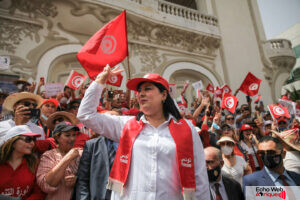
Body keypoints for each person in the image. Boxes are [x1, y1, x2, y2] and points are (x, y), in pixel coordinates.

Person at [77, 66, 210, 200]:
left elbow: (199, 175)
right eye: (139, 90)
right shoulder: (126, 125)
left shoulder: (187, 129)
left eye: (148, 89)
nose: (141, 94)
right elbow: (86, 115)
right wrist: (100, 81)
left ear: (164, 95)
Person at [36, 122, 82, 200]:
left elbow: (93, 179)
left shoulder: (82, 153)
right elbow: (46, 185)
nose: (72, 139)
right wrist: (67, 158)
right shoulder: (48, 156)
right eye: (67, 135)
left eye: (74, 135)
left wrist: (77, 180)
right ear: (57, 137)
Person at [0, 125, 44, 199]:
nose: (32, 143)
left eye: (34, 140)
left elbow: (39, 192)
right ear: (13, 141)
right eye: (28, 139)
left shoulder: (36, 164)